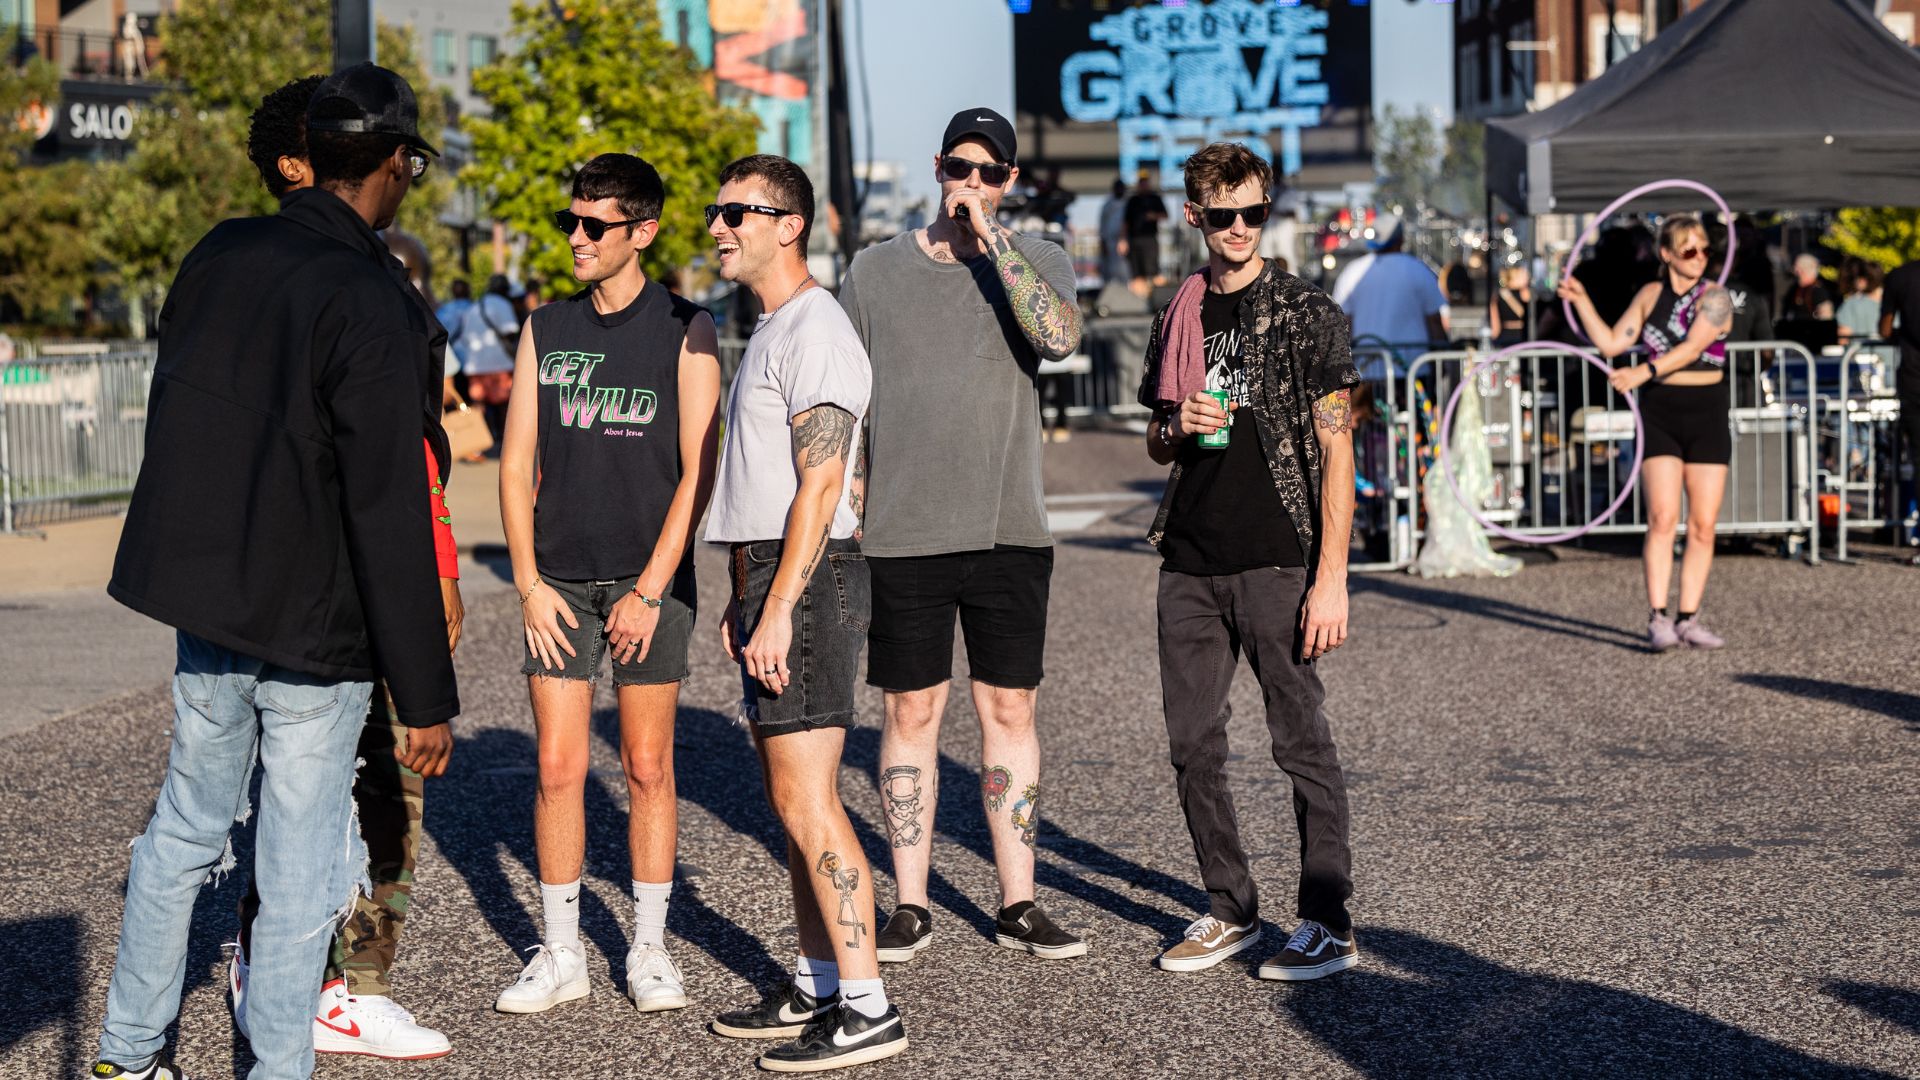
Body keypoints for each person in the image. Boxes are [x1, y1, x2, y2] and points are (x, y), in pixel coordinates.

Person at [94, 63, 457, 1080]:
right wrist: (426, 695)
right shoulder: (370, 295)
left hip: (211, 601)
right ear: (392, 164)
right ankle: (276, 1069)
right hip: (316, 626)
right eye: (413, 164)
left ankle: (127, 1055)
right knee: (298, 869)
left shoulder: (220, 252)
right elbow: (386, 505)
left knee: (183, 832)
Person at [222, 71, 464, 1063]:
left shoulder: (373, 283)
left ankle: (338, 980)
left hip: (365, 582)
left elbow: (417, 464)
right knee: (332, 793)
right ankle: (316, 982)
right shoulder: (325, 287)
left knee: (360, 795)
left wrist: (444, 571)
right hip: (333, 598)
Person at [837, 107, 1087, 966]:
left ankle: (1018, 901)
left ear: (1008, 181)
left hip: (1007, 527)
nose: (970, 183)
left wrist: (995, 243)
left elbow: (1058, 338)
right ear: (937, 165)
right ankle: (910, 903)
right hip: (903, 529)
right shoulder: (874, 270)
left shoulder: (1037, 259)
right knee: (911, 711)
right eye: (958, 167)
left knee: (1009, 708)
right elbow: (845, 396)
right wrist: (848, 500)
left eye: (988, 172)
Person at [493, 153, 722, 1016]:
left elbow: (700, 470)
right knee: (557, 766)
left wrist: (651, 590)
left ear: (643, 232)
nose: (578, 238)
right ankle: (560, 952)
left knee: (646, 765)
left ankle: (649, 948)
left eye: (596, 225)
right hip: (557, 581)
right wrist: (526, 583)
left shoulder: (687, 328)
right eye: (572, 222)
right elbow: (514, 464)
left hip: (646, 583)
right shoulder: (545, 328)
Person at [1134, 141, 1361, 982]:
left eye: (1254, 213)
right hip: (1190, 558)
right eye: (1224, 214)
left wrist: (1331, 577)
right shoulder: (1180, 312)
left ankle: (1328, 920)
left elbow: (1338, 450)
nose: (1239, 228)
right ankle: (1230, 907)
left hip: (1276, 559)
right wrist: (1177, 424)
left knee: (1301, 741)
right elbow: (1156, 439)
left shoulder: (1306, 311)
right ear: (1194, 214)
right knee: (1192, 746)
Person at [702, 153, 908, 1071]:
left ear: (789, 225)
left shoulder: (816, 330)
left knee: (808, 798)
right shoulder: (777, 327)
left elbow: (823, 488)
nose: (719, 227)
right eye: (717, 212)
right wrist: (744, 592)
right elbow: (769, 486)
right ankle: (820, 984)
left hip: (810, 581)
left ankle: (868, 1009)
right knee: (790, 802)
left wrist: (780, 603)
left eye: (737, 213)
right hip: (773, 575)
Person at [1559, 214, 1735, 650]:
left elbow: (1693, 347)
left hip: (1707, 410)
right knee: (1661, 517)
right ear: (1667, 254)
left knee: (1703, 524)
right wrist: (1582, 301)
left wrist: (1643, 371)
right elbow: (1612, 343)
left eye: (1705, 249)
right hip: (1660, 411)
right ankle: (1658, 616)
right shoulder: (1650, 294)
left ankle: (1688, 617)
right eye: (1689, 249)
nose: (1700, 257)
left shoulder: (1716, 297)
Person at [1330, 213, 1446, 380]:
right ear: (1401, 239)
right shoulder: (1418, 270)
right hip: (1413, 371)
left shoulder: (1352, 272)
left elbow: (1343, 325)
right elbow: (1434, 321)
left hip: (1366, 372)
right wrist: (1441, 363)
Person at [1876, 261, 1920, 566]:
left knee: (1919, 458)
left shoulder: (1900, 276)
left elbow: (1884, 327)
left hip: (1914, 378)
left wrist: (1900, 335)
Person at [459, 273, 521, 449]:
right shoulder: (503, 304)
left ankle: (481, 441)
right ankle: (504, 439)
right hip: (499, 363)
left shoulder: (474, 306)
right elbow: (511, 331)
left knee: (479, 403)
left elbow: (465, 337)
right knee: (504, 403)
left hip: (475, 364)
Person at [1124, 168, 1170, 288]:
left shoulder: (1155, 198)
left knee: (1153, 272)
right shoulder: (1133, 200)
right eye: (1141, 182)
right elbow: (1125, 221)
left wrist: (1153, 216)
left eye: (1145, 181)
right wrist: (1122, 240)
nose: (1143, 184)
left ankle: (1155, 295)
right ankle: (1140, 296)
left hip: (1150, 239)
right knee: (1137, 274)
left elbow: (1165, 215)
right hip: (1134, 239)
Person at [1836, 256, 1884, 343]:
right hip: (1890, 351)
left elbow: (1843, 337)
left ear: (1863, 280)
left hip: (1859, 350)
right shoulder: (1894, 302)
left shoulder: (1851, 304)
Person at [1490, 263, 1534, 346]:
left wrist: (1494, 340)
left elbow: (1495, 323)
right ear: (1514, 275)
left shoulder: (1498, 294)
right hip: (1523, 337)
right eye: (1523, 274)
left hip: (1504, 337)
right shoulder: (1525, 293)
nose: (1527, 277)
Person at [1781, 253, 1835, 323]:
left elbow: (1826, 317)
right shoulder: (1795, 288)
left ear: (1806, 270)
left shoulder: (1818, 291)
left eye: (1798, 269)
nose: (1795, 271)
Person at [1098, 177, 1128, 287]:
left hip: (1124, 241)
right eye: (1117, 188)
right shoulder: (1107, 205)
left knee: (1124, 271)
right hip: (1110, 241)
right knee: (1110, 271)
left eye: (1121, 188)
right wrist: (1103, 242)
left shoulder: (1128, 203)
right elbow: (1102, 225)